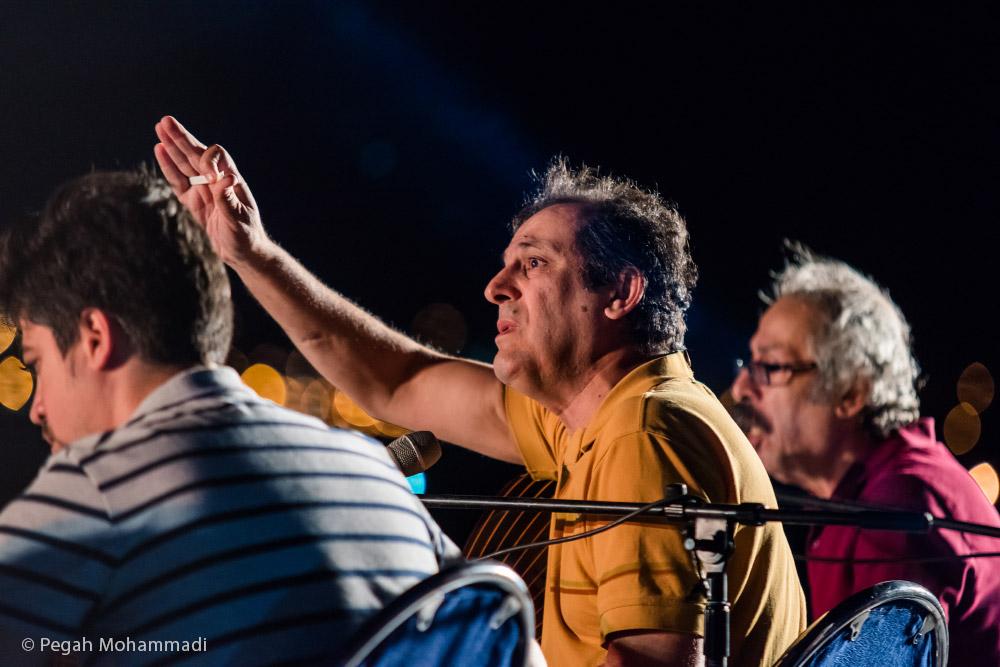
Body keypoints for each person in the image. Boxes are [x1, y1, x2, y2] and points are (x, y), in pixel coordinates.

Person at [154, 116, 805, 666]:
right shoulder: (597, 415)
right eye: (505, 266)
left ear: (621, 292)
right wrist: (253, 253)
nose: (496, 287)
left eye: (534, 263)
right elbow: (399, 380)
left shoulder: (642, 433)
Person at [0, 169, 459, 665]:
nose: (37, 407)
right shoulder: (374, 470)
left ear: (95, 337)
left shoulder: (92, 493)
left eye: (37, 363)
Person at [730, 243, 1000, 665]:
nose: (743, 387)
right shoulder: (865, 493)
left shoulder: (902, 498)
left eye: (771, 366)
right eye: (750, 363)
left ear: (851, 392)